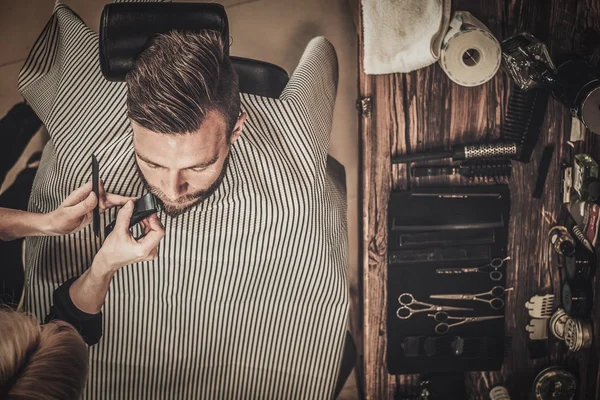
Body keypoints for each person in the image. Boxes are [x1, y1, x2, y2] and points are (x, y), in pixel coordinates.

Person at [20, 1, 348, 398]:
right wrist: (100, 264)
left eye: (198, 165)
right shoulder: (85, 135)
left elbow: (322, 54)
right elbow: (322, 57)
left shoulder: (292, 167)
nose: (172, 189)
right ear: (131, 124)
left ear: (237, 130)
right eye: (152, 162)